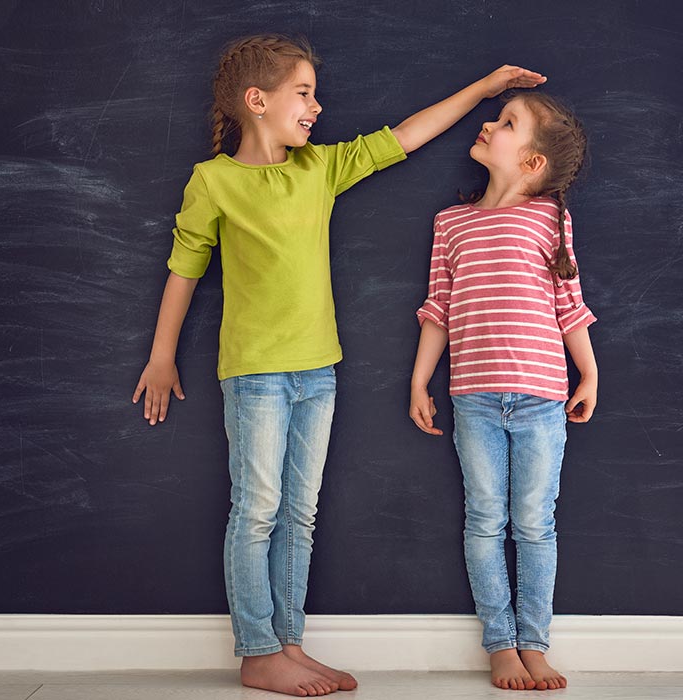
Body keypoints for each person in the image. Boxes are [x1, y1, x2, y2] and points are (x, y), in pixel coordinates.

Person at [132, 33, 546, 697]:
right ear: (257, 101)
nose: (317, 107)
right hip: (257, 376)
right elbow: (185, 268)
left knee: (300, 514)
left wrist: (483, 89)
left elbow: (406, 137)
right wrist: (161, 357)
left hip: (318, 373)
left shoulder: (317, 169)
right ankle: (257, 648)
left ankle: (288, 642)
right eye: (304, 94)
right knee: (257, 510)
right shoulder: (214, 181)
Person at [409, 90, 597, 692]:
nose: (489, 124)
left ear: (532, 162)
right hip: (475, 400)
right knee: (485, 521)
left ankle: (534, 643)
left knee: (535, 524)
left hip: (543, 398)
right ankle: (501, 645)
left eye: (507, 122)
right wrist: (419, 378)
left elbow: (569, 305)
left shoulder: (552, 220)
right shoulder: (451, 224)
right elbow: (437, 308)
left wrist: (589, 372)